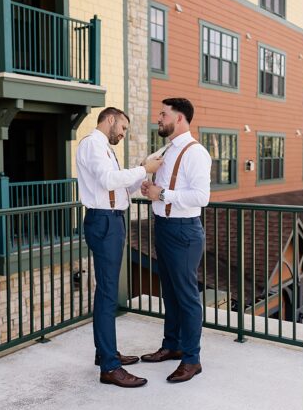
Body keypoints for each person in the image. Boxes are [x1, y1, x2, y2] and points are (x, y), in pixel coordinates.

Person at [77, 107, 163, 388]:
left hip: (111, 221)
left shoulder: (104, 148)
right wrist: (142, 169)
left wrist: (141, 174)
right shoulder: (93, 144)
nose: (123, 134)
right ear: (110, 120)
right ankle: (109, 368)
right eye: (123, 128)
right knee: (107, 293)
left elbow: (117, 187)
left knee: (108, 291)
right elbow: (107, 181)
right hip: (104, 223)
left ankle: (107, 353)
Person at [138, 98, 211, 383]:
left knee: (187, 297)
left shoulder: (196, 153)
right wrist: (150, 189)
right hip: (164, 227)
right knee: (169, 292)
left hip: (183, 232)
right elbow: (163, 189)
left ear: (179, 118)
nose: (159, 117)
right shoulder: (167, 150)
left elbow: (201, 197)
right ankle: (172, 345)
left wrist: (163, 195)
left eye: (163, 114)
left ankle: (192, 359)